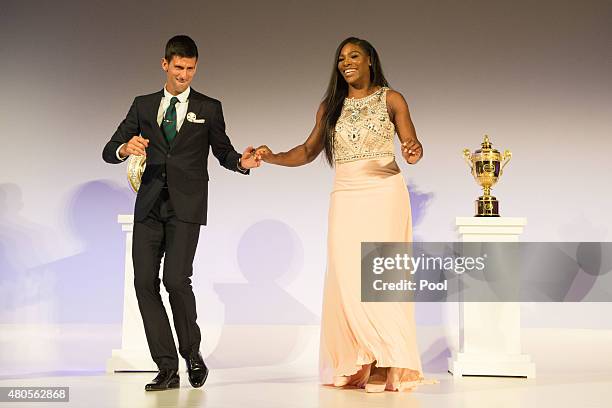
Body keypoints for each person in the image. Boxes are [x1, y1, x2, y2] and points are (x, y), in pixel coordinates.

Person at [256, 37, 432, 392]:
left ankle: (385, 360)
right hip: (347, 193)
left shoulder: (392, 98)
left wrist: (413, 151)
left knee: (379, 273)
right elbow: (307, 151)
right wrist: (271, 155)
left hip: (384, 191)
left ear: (370, 60)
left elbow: (411, 146)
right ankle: (360, 357)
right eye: (341, 58)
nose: (346, 62)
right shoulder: (330, 107)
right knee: (347, 275)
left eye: (354, 56)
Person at [102, 35, 260, 391]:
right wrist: (125, 148)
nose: (184, 75)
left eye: (190, 69)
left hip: (186, 207)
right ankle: (167, 368)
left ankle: (192, 353)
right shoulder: (143, 105)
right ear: (165, 64)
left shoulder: (208, 107)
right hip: (149, 206)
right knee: (144, 284)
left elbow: (223, 151)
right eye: (178, 68)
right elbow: (109, 149)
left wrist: (241, 163)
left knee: (176, 280)